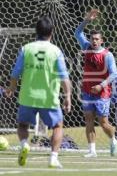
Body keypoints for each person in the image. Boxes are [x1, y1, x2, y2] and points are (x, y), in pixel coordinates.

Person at [5, 16, 72, 168]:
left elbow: (15, 73)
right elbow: (64, 77)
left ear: (36, 31)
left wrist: (11, 88)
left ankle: (24, 145)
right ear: (52, 32)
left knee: (22, 125)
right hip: (49, 98)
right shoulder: (56, 51)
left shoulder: (26, 48)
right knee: (58, 126)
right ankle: (53, 158)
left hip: (27, 96)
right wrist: (68, 96)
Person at [75, 9, 117, 158]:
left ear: (101, 40)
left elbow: (114, 74)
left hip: (102, 93)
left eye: (96, 39)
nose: (94, 41)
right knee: (88, 120)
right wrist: (87, 19)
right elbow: (78, 33)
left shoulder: (107, 55)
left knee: (103, 123)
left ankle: (113, 139)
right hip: (87, 91)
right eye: (92, 38)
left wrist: (101, 85)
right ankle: (92, 151)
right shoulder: (86, 47)